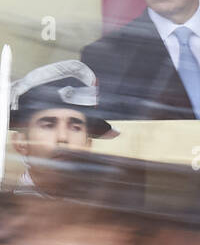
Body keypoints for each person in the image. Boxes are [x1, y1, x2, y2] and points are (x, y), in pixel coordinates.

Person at [6, 61, 117, 197]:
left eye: (75, 128)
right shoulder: (5, 212)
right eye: (49, 126)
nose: (63, 137)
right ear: (21, 142)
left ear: (88, 145)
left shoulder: (104, 211)